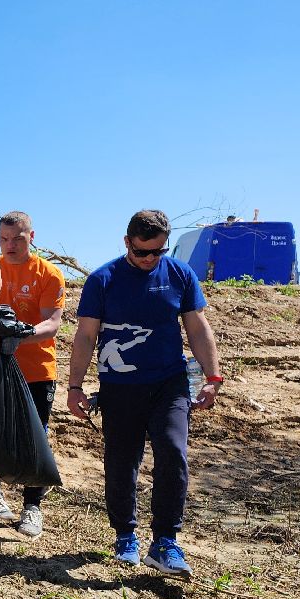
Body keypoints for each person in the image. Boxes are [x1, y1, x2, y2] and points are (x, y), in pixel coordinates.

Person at [67, 209, 223, 575]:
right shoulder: (103, 279)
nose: (150, 259)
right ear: (127, 243)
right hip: (120, 388)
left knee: (173, 452)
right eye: (142, 252)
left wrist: (213, 378)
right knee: (122, 462)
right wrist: (75, 387)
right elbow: (86, 336)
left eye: (158, 252)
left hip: (169, 384)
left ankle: (166, 542)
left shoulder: (180, 275)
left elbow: (198, 330)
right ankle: (125, 535)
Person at [0, 211, 65, 536]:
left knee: (35, 436)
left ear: (32, 236)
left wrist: (21, 334)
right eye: (3, 239)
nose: (10, 245)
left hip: (37, 369)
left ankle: (32, 507)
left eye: (17, 238)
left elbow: (52, 323)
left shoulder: (48, 274)